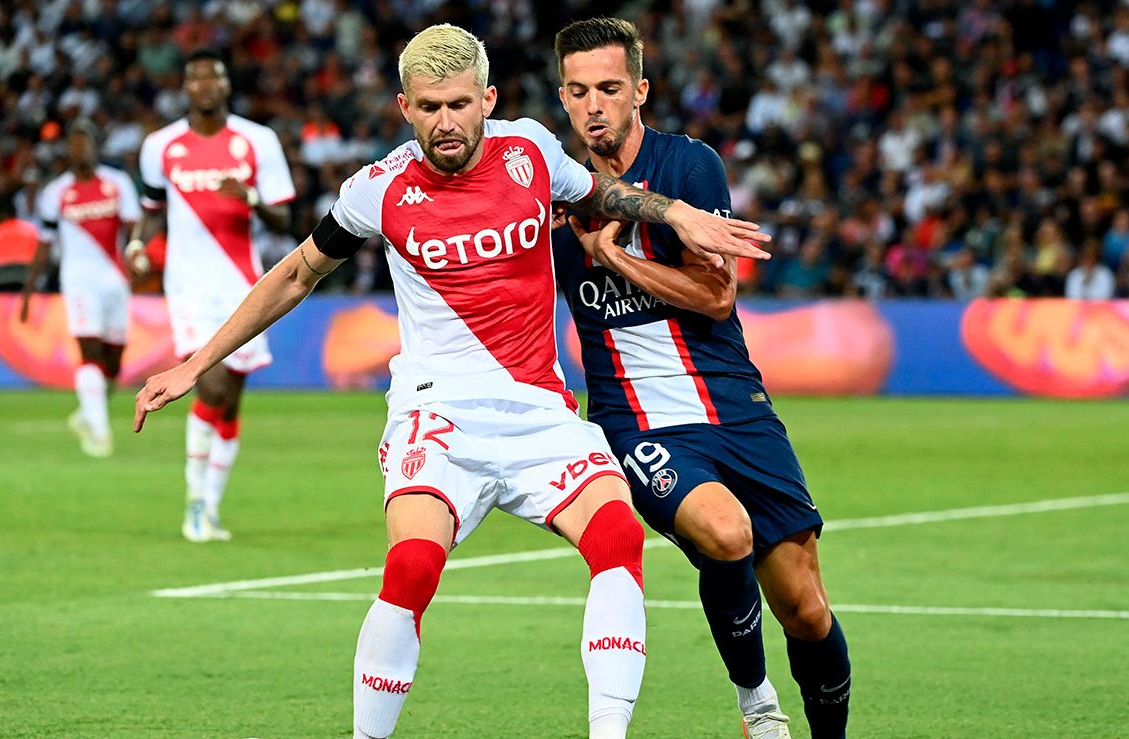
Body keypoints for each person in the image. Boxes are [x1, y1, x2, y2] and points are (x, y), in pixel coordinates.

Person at [132, 24, 769, 739]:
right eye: (429, 107)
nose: (445, 123)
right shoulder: (377, 189)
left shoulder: (529, 150)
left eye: (460, 104)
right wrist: (195, 363)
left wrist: (677, 211)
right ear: (405, 106)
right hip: (438, 418)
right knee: (410, 569)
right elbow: (295, 273)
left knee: (618, 535)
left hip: (539, 415)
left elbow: (604, 197)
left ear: (487, 100)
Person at [550, 18, 850, 739]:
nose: (595, 105)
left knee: (806, 606)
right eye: (580, 91)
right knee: (724, 530)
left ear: (640, 91)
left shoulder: (688, 167)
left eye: (611, 89)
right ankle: (758, 706)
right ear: (563, 97)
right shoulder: (550, 194)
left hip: (734, 404)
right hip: (638, 420)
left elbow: (717, 296)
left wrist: (615, 259)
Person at [129, 48, 296, 542]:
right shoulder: (160, 146)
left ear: (226, 85)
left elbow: (284, 220)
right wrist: (138, 242)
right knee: (213, 387)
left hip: (246, 285)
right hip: (188, 286)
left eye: (213, 77)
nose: (204, 85)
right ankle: (195, 502)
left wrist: (247, 198)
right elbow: (153, 208)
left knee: (231, 402)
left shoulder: (258, 141)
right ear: (185, 87)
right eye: (194, 77)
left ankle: (211, 507)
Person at [22, 119, 141, 458]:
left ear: (94, 146)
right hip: (78, 281)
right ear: (67, 152)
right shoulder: (55, 193)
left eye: (84, 142)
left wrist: (136, 251)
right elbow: (44, 244)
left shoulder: (118, 184)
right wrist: (28, 293)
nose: (78, 149)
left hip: (115, 280)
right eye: (72, 144)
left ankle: (87, 413)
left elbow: (135, 226)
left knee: (114, 365)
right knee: (89, 354)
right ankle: (100, 434)